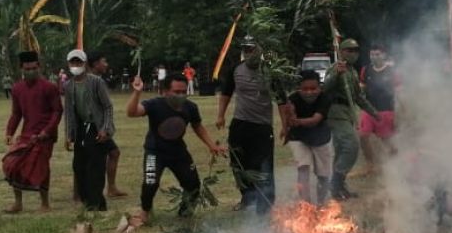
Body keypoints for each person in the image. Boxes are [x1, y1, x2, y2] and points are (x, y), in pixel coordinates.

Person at [127, 73, 226, 223]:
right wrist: (137, 92)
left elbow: (197, 126)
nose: (181, 95)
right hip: (155, 151)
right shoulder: (154, 104)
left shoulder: (191, 107)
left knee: (193, 185)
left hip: (178, 151)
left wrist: (211, 145)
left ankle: (185, 214)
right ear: (165, 91)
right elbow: (132, 112)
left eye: (183, 92)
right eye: (176, 92)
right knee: (150, 182)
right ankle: (145, 211)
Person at [216, 36, 285, 214]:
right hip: (240, 123)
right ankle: (247, 198)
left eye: (252, 49)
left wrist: (285, 125)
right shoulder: (236, 70)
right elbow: (226, 93)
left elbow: (281, 100)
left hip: (262, 126)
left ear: (260, 50)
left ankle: (267, 203)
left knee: (263, 164)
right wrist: (220, 115)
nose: (248, 53)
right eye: (245, 49)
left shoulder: (270, 72)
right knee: (239, 163)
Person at [3, 50, 63, 213]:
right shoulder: (16, 89)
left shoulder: (49, 87)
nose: (30, 72)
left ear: (39, 66)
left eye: (33, 68)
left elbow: (57, 111)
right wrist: (9, 132)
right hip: (27, 134)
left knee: (42, 166)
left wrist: (47, 131)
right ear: (21, 69)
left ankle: (45, 203)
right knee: (13, 163)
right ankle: (18, 203)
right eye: (27, 69)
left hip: (45, 136)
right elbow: (16, 113)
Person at [322, 38, 380, 200]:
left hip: (348, 113)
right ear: (341, 52)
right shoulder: (335, 68)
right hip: (336, 113)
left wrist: (374, 113)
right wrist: (336, 75)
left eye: (355, 51)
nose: (353, 53)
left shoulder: (353, 72)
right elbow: (324, 88)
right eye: (349, 50)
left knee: (341, 150)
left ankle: (339, 187)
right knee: (351, 146)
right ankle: (336, 182)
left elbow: (359, 98)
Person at [63, 49, 114, 211]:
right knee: (79, 166)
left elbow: (107, 107)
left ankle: (97, 203)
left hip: (96, 127)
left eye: (79, 62)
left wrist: (105, 129)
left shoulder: (96, 82)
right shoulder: (68, 86)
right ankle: (87, 201)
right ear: (69, 64)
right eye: (73, 62)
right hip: (80, 128)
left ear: (85, 64)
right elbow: (70, 112)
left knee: (96, 166)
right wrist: (69, 134)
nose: (76, 65)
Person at [283, 70, 334, 205]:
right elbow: (289, 113)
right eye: (304, 89)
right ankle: (307, 206)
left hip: (321, 139)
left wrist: (297, 121)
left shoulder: (325, 98)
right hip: (298, 138)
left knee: (323, 175)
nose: (309, 92)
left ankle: (321, 204)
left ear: (320, 88)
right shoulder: (292, 99)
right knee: (303, 168)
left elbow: (315, 120)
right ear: (298, 89)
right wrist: (289, 116)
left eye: (313, 88)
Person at [88, 52, 127, 197]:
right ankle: (104, 189)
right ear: (96, 64)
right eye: (104, 61)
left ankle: (110, 188)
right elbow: (106, 106)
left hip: (96, 126)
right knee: (96, 158)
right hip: (96, 127)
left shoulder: (90, 80)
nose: (106, 64)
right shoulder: (95, 81)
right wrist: (104, 128)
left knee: (112, 153)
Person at [358, 44, 400, 173]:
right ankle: (370, 164)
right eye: (372, 54)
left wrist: (400, 112)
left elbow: (399, 93)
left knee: (386, 139)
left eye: (377, 54)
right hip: (369, 109)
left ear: (384, 55)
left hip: (386, 110)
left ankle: (396, 162)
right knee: (363, 136)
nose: (374, 57)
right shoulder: (366, 70)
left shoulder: (392, 72)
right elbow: (361, 88)